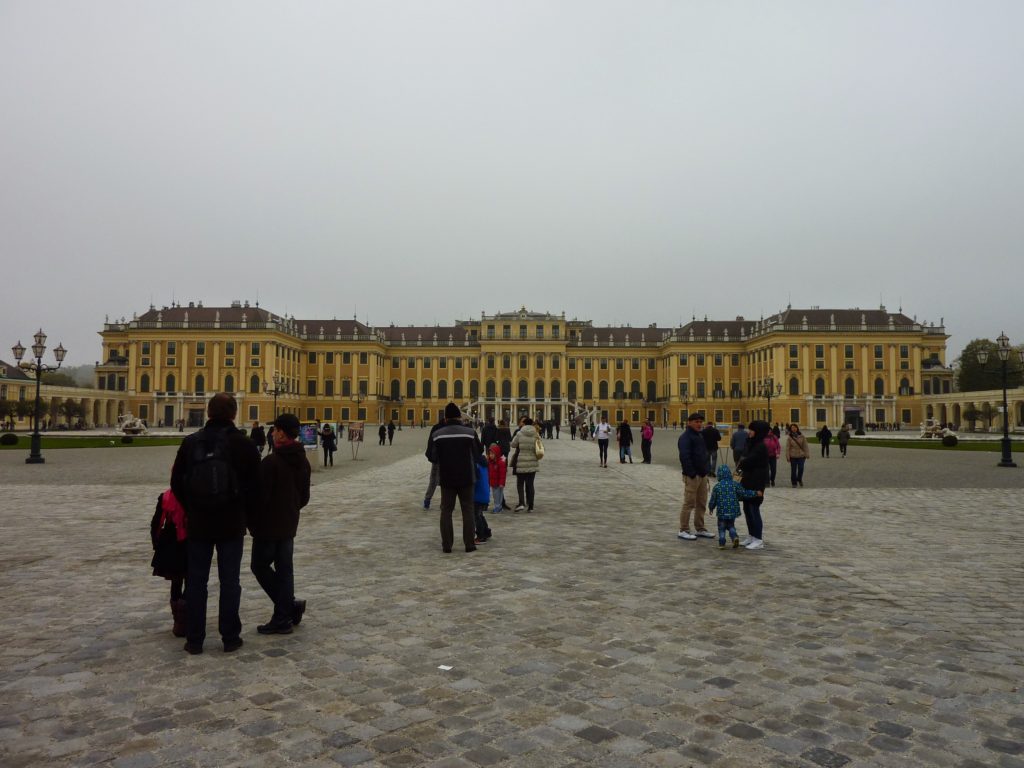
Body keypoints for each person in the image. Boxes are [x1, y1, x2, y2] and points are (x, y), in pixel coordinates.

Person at [170, 393, 261, 654]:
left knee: (196, 581)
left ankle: (195, 639)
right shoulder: (243, 444)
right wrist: (244, 512)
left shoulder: (191, 442)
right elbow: (256, 486)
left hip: (199, 523)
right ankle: (230, 637)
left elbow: (176, 482)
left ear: (208, 413)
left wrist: (192, 506)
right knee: (230, 581)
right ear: (233, 414)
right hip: (231, 523)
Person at [248, 413, 311, 635]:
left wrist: (253, 523)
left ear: (281, 433)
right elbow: (304, 497)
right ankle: (286, 610)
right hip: (289, 524)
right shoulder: (302, 460)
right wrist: (291, 509)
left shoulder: (271, 462)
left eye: (274, 430)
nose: (272, 433)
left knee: (259, 566)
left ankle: (285, 612)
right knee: (285, 570)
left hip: (267, 527)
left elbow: (258, 499)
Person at [427, 403, 483, 552]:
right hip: (466, 477)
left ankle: (447, 545)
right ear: (459, 416)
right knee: (468, 510)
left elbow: (431, 456)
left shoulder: (437, 434)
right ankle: (469, 544)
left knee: (446, 511)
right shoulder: (470, 432)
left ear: (445, 418)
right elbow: (479, 452)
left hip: (447, 477)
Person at [150, 488, 188, 637]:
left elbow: (155, 524)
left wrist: (157, 543)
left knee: (176, 582)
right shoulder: (192, 494)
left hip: (170, 543)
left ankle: (179, 622)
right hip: (188, 542)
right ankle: (183, 618)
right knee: (192, 581)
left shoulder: (166, 497)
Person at [677, 412, 714, 540]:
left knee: (702, 503)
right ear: (689, 422)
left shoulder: (700, 435)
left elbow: (703, 455)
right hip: (692, 476)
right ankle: (684, 529)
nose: (699, 424)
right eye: (696, 422)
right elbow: (684, 457)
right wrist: (691, 473)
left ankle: (700, 528)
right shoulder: (685, 437)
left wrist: (706, 471)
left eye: (700, 421)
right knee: (689, 503)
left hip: (702, 475)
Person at [708, 465, 762, 549]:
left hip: (722, 512)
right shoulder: (735, 484)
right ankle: (734, 537)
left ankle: (722, 543)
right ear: (729, 474)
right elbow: (744, 493)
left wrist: (711, 507)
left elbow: (713, 500)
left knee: (721, 527)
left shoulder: (717, 487)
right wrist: (755, 493)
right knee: (731, 526)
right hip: (732, 511)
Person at [737, 421, 771, 549]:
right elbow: (743, 459)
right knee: (747, 509)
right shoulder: (752, 443)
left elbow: (747, 461)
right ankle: (751, 535)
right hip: (747, 480)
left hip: (756, 483)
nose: (749, 432)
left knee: (753, 509)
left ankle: (758, 538)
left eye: (751, 430)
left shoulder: (760, 446)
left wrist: (743, 462)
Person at [510, 416, 541, 512]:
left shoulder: (519, 433)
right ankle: (531, 507)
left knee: (520, 483)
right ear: (532, 424)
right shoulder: (536, 434)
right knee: (530, 484)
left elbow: (513, 445)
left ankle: (521, 503)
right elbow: (540, 446)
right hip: (532, 462)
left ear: (524, 424)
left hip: (521, 461)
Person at [422, 416, 445, 509]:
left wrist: (431, 456)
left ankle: (428, 500)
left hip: (438, 458)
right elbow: (431, 443)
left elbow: (430, 443)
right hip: (441, 459)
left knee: (434, 481)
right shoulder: (444, 428)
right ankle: (442, 502)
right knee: (443, 482)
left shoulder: (436, 427)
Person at [472, 450, 492, 543]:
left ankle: (481, 535)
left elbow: (475, 481)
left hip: (478, 494)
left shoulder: (476, 466)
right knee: (480, 514)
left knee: (477, 516)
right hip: (484, 493)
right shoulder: (484, 464)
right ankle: (486, 531)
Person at [786, 423, 810, 487]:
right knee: (793, 470)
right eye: (792, 428)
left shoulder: (802, 436)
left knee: (801, 468)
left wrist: (807, 454)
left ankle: (799, 479)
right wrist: (788, 456)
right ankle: (794, 482)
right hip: (793, 456)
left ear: (797, 428)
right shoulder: (789, 437)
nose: (794, 429)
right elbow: (787, 447)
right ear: (790, 429)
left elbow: (805, 446)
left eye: (795, 427)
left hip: (801, 455)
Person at [487, 443, 507, 515]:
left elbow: (503, 474)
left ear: (497, 454)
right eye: (490, 454)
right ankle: (498, 506)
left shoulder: (500, 462)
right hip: (493, 482)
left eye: (492, 454)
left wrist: (502, 483)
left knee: (498, 495)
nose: (491, 455)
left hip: (498, 483)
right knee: (496, 495)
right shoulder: (490, 462)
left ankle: (498, 507)